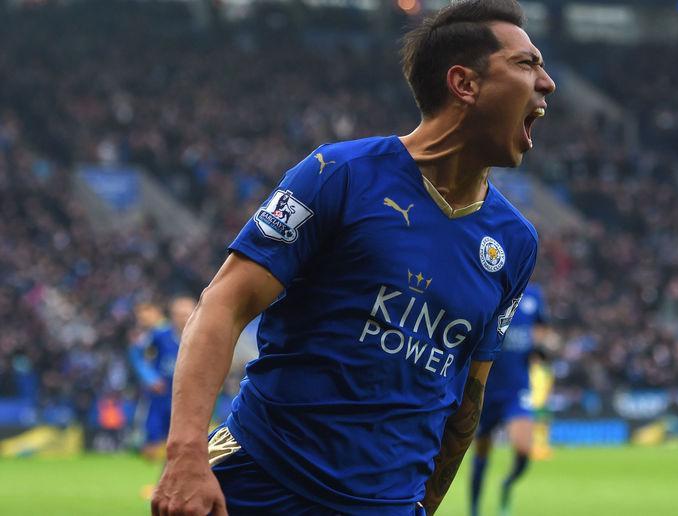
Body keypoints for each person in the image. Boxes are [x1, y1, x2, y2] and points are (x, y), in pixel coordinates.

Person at [151, 1, 556, 515]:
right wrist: (186, 453)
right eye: (526, 63)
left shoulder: (515, 243)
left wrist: (423, 508)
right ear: (464, 84)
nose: (547, 83)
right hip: (261, 484)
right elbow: (222, 304)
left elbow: (466, 399)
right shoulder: (339, 173)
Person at [470, 283, 548, 516]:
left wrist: (539, 346)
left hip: (517, 389)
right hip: (487, 388)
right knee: (481, 451)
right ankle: (474, 509)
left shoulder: (534, 294)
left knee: (524, 448)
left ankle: (507, 484)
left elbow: (542, 326)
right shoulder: (491, 286)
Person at [129, 297, 196, 459]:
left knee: (184, 442)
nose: (183, 318)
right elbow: (136, 354)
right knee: (152, 443)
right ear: (172, 315)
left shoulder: (200, 336)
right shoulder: (159, 335)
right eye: (179, 314)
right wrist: (151, 378)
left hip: (188, 396)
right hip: (162, 394)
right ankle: (156, 479)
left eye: (186, 314)